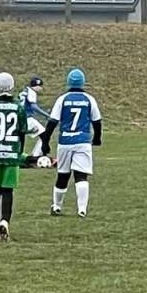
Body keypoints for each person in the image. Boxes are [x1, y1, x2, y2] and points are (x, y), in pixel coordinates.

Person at [41, 67, 101, 218]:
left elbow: (52, 122)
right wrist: (97, 138)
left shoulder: (62, 99)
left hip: (65, 142)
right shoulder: (89, 99)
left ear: (68, 82)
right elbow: (97, 121)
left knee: (63, 175)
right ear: (83, 83)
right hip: (82, 141)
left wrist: (45, 141)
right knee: (81, 176)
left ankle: (56, 206)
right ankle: (82, 209)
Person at [0, 72, 27, 241]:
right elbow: (22, 133)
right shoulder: (19, 107)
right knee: (8, 190)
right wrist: (19, 152)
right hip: (11, 153)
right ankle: (5, 220)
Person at [21, 75, 49, 166]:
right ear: (37, 86)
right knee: (45, 135)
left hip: (19, 119)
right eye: (40, 86)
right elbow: (33, 106)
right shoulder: (32, 92)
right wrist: (46, 115)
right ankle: (35, 157)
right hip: (27, 119)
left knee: (20, 138)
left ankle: (23, 157)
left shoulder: (24, 91)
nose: (41, 88)